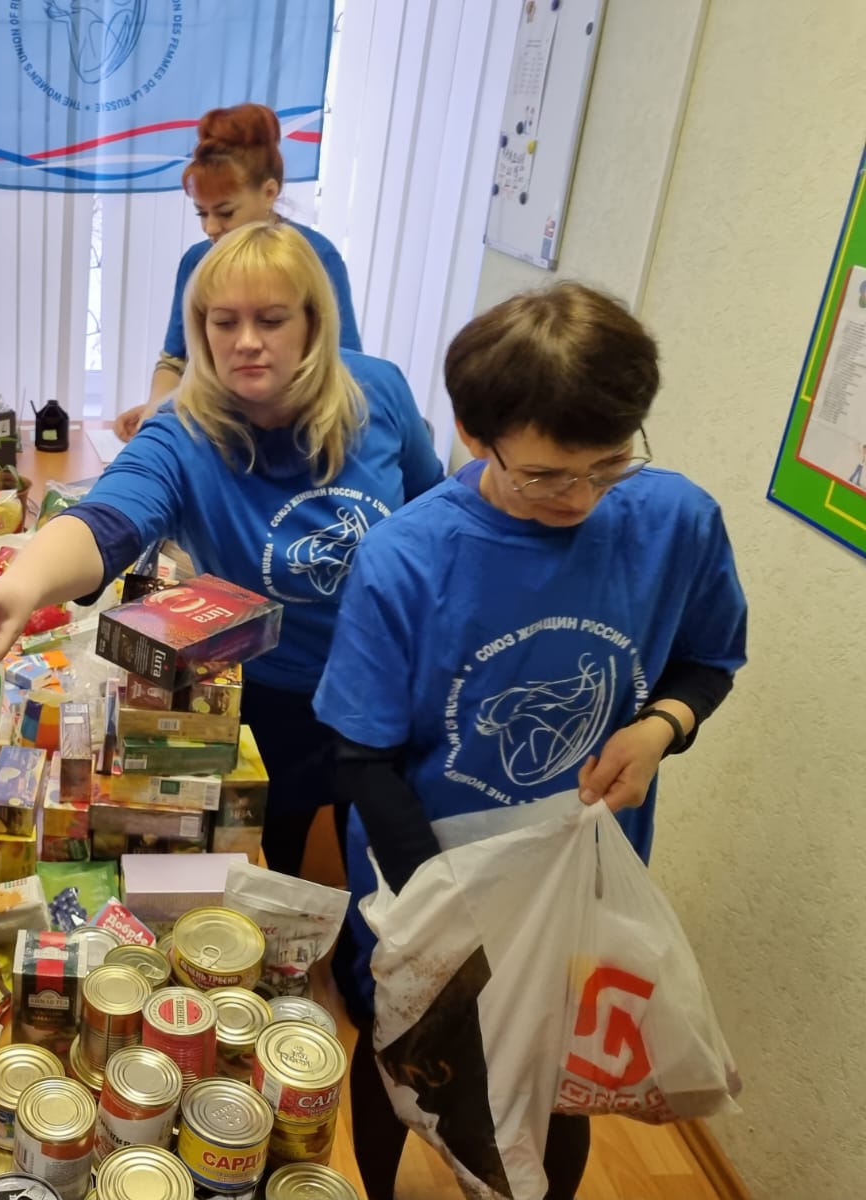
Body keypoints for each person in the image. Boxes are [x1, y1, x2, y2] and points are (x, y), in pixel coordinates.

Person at [313, 282, 749, 1200]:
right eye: (547, 475)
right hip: (424, 879)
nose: (582, 498)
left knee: (558, 1080)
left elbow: (708, 663)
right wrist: (452, 911)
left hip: (579, 882)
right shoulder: (409, 557)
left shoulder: (675, 522)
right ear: (474, 435)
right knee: (404, 1050)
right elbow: (363, 758)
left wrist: (661, 728)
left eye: (609, 465)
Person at [0, 222, 441, 874]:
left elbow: (433, 514)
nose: (246, 342)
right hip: (273, 695)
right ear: (200, 330)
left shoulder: (380, 392)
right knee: (279, 858)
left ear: (314, 322)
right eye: (224, 323)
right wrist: (23, 584)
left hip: (389, 677)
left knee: (389, 870)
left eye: (272, 319)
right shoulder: (184, 430)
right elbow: (109, 516)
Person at [114, 102, 363, 441]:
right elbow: (174, 362)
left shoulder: (318, 257)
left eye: (226, 213)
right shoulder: (197, 261)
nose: (211, 227)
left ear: (269, 193)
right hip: (216, 433)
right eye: (202, 214)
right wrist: (157, 410)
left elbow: (345, 368)